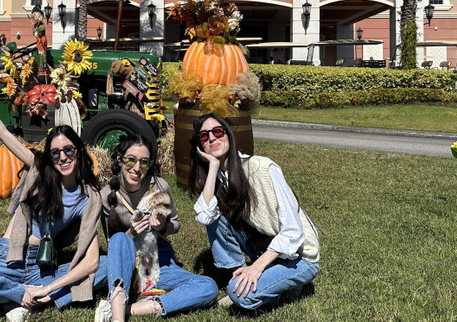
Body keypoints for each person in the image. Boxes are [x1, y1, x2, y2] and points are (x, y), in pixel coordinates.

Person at [0, 71, 101, 322]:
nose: (63, 157)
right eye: (56, 153)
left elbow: (91, 261)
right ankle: (22, 297)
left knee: (105, 266)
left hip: (42, 268)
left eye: (69, 150)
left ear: (79, 151)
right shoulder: (39, 170)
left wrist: (47, 287)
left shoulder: (88, 198)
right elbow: (0, 132)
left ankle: (24, 297)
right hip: (10, 258)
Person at [188, 113, 320, 311]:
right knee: (215, 216)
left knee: (240, 295)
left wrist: (256, 267)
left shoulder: (262, 167)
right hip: (266, 245)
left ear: (228, 134)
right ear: (200, 146)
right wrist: (213, 166)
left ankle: (283, 286)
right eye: (204, 137)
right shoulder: (219, 178)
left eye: (217, 131)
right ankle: (240, 274)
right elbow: (205, 216)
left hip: (300, 255)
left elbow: (293, 232)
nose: (213, 138)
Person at [92, 134, 217, 321]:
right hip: (126, 261)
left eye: (143, 162)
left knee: (208, 286)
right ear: (120, 159)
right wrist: (130, 234)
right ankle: (118, 312)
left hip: (158, 259)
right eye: (131, 160)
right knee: (120, 239)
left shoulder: (160, 186)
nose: (136, 168)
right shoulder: (106, 195)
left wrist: (163, 226)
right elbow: (113, 243)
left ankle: (131, 309)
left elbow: (175, 224)